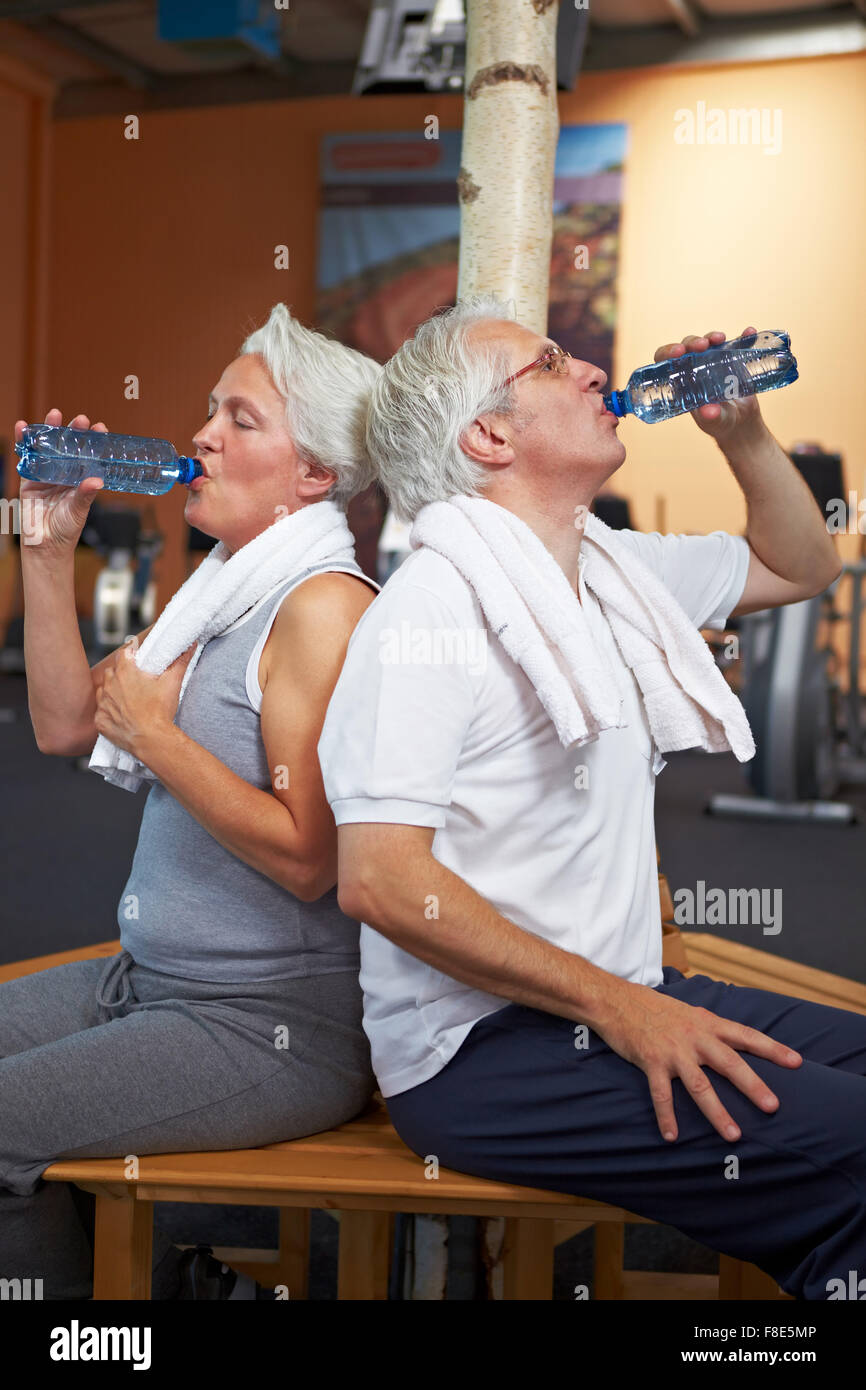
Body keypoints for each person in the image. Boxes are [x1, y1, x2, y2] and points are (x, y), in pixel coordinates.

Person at [318, 294, 866, 1301]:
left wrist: (739, 430)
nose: (586, 370)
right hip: (477, 1056)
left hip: (614, 997)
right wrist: (624, 1008)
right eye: (550, 362)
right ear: (487, 434)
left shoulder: (611, 573)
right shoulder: (430, 613)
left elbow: (802, 562)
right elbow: (381, 881)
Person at [4, 303, 381, 1300]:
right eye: (210, 409)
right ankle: (164, 1282)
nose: (202, 433)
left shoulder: (319, 607)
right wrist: (46, 550)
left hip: (269, 1027)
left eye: (240, 418)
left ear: (314, 475)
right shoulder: (220, 593)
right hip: (149, 981)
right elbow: (61, 724)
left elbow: (313, 856)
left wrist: (161, 740)